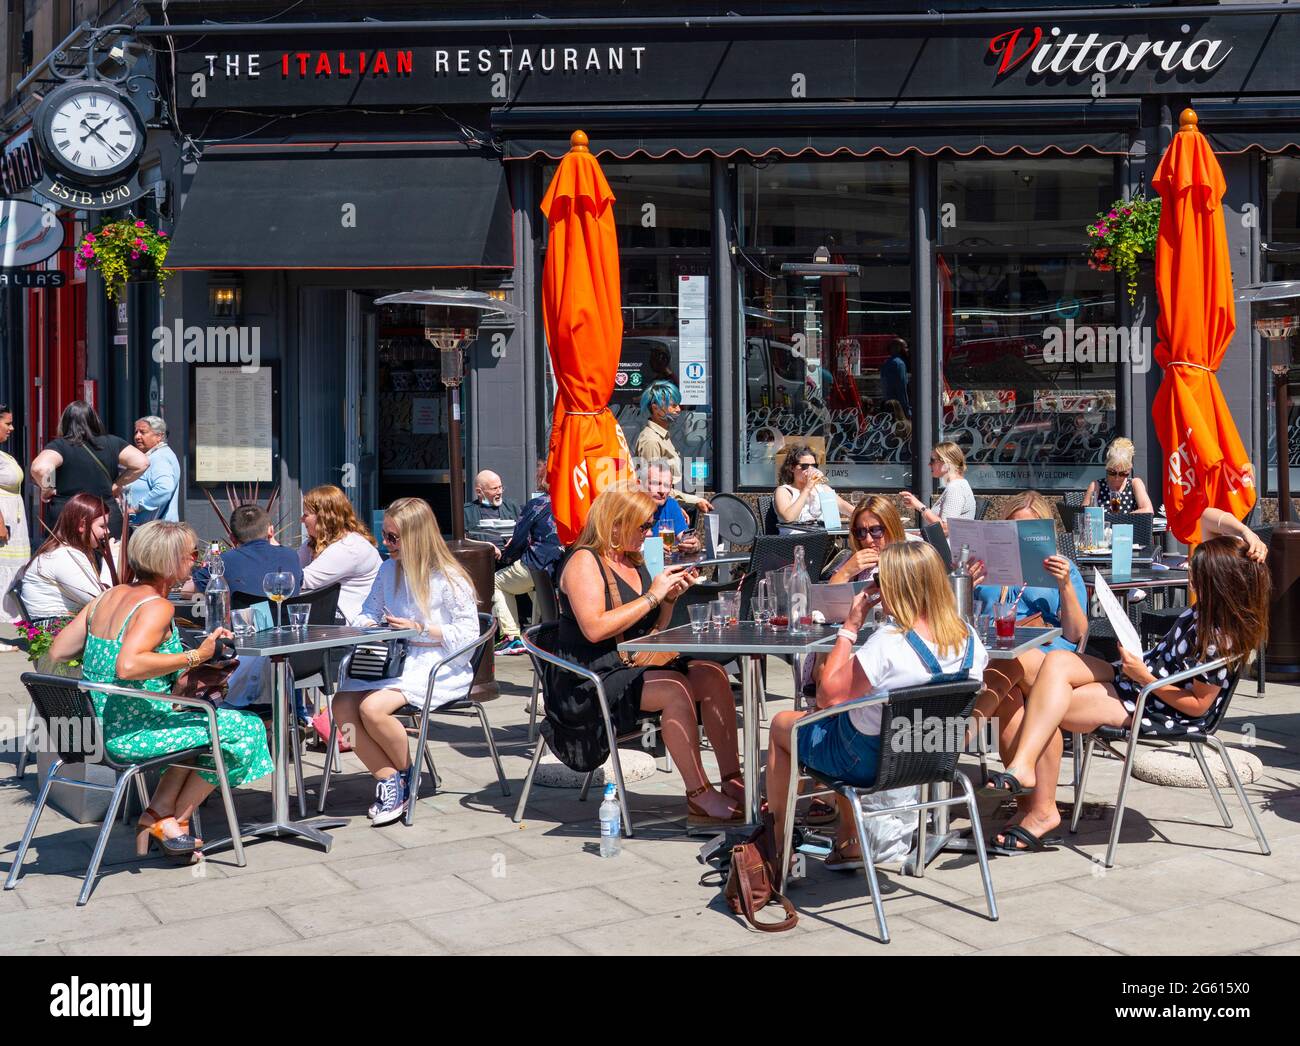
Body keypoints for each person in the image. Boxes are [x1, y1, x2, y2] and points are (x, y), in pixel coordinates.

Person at [985, 508, 1269, 854]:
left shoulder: (1220, 636)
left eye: (1196, 574)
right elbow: (1207, 517)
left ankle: (1040, 809)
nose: (1189, 575)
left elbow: (1197, 706)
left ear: (1218, 582)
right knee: (1046, 661)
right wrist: (1247, 534)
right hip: (1134, 677)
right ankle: (1025, 769)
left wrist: (1143, 676)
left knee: (1045, 707)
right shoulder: (1208, 604)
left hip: (1156, 702)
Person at [48, 521, 272, 863]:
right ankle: (173, 822)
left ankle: (158, 813)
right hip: (128, 735)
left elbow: (60, 650)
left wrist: (107, 660)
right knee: (246, 729)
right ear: (170, 561)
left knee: (200, 724)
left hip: (93, 730)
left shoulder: (109, 596)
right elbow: (129, 666)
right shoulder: (156, 607)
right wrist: (199, 655)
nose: (196, 561)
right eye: (191, 555)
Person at [765, 541, 988, 870]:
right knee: (844, 720)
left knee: (784, 723)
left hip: (871, 762)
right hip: (930, 754)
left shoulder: (889, 642)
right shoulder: (969, 637)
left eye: (881, 581)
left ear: (897, 586)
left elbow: (828, 695)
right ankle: (849, 839)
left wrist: (851, 626)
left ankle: (778, 847)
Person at [546, 488, 743, 826]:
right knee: (674, 688)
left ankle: (732, 781)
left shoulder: (631, 560)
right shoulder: (583, 560)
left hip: (631, 662)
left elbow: (651, 630)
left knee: (711, 674)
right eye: (642, 526)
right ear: (614, 525)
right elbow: (594, 629)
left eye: (650, 524)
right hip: (589, 680)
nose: (648, 533)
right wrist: (653, 596)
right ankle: (698, 794)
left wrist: (667, 601)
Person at [330, 498, 482, 826]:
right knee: (341, 707)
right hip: (394, 658)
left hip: (438, 662)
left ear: (417, 536)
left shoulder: (448, 576)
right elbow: (370, 612)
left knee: (372, 709)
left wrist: (421, 627)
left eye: (394, 538)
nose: (387, 544)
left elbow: (470, 635)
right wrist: (366, 623)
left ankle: (404, 773)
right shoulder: (388, 570)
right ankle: (388, 776)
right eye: (384, 536)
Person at [970, 490, 1089, 732]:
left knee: (1012, 659)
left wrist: (1064, 584)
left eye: (1027, 531)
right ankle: (1016, 769)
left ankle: (950, 748)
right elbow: (957, 619)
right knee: (1009, 701)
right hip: (992, 653)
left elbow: (1076, 634)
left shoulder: (1063, 568)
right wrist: (964, 585)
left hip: (1045, 657)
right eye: (1012, 530)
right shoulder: (985, 569)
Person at [29, 400, 148, 537]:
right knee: (108, 557)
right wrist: (117, 484)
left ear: (65, 422)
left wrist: (47, 489)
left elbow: (40, 468)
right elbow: (142, 462)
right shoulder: (112, 442)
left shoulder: (60, 446)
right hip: (106, 516)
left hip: (70, 516)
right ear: (94, 420)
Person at [492, 460, 563, 656]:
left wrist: (505, 557)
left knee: (495, 583)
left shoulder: (538, 504)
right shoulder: (573, 503)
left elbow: (518, 538)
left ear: (542, 480)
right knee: (534, 587)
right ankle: (541, 633)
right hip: (562, 569)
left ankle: (511, 637)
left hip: (538, 566)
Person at [18, 494, 113, 626]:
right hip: (52, 629)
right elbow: (101, 601)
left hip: (54, 626)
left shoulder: (65, 551)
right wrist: (111, 560)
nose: (107, 531)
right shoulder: (63, 556)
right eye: (102, 526)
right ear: (82, 525)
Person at [298, 484, 382, 625]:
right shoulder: (313, 543)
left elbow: (302, 580)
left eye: (306, 515)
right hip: (330, 622)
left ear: (323, 517)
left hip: (356, 627)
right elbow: (293, 569)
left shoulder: (349, 547)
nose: (302, 519)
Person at [632, 380, 713, 512]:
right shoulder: (651, 440)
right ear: (655, 408)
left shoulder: (662, 436)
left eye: (678, 405)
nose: (678, 409)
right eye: (673, 406)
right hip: (659, 510)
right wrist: (693, 501)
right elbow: (653, 487)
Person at [187, 504, 302, 597]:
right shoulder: (292, 556)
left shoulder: (224, 561)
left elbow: (186, 590)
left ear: (232, 538)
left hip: (242, 624)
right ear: (271, 531)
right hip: (285, 623)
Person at [828, 494, 906, 585]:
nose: (868, 540)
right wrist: (846, 572)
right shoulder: (854, 560)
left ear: (892, 527)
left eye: (876, 530)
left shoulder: (909, 561)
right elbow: (828, 596)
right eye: (861, 532)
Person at [0, 404, 31, 638]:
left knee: (12, 572)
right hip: (5, 521)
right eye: (7, 423)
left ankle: (12, 624)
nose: (11, 428)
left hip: (14, 520)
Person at [901, 441, 975, 531]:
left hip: (949, 544)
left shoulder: (956, 488)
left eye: (932, 460)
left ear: (947, 462)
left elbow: (945, 528)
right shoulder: (956, 485)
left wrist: (920, 506)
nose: (929, 464)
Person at [774, 443, 855, 525]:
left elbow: (849, 510)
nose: (810, 469)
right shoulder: (784, 491)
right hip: (795, 536)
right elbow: (788, 517)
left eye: (814, 466)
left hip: (822, 535)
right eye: (805, 466)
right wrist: (807, 488)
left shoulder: (822, 489)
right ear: (792, 468)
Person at [126, 416, 181, 524]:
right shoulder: (154, 456)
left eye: (143, 432)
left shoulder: (160, 457)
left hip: (156, 532)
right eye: (136, 432)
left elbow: (164, 489)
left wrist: (137, 508)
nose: (137, 436)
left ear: (159, 436)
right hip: (151, 530)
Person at [1084, 436, 1154, 514]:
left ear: (1129, 469)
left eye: (1123, 474)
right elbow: (1084, 514)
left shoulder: (1134, 484)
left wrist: (1122, 519)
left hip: (1128, 526)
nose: (1117, 478)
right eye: (1112, 472)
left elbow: (1148, 510)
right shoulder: (1096, 486)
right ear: (1107, 467)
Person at [643, 460, 701, 554]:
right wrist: (648, 547)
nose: (662, 491)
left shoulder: (670, 504)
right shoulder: (631, 507)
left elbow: (684, 537)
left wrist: (694, 544)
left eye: (666, 485)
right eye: (655, 483)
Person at [878, 338, 911, 418]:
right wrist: (906, 410)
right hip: (898, 408)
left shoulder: (886, 363)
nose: (907, 350)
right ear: (898, 348)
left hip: (888, 405)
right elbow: (901, 389)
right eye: (905, 347)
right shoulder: (899, 364)